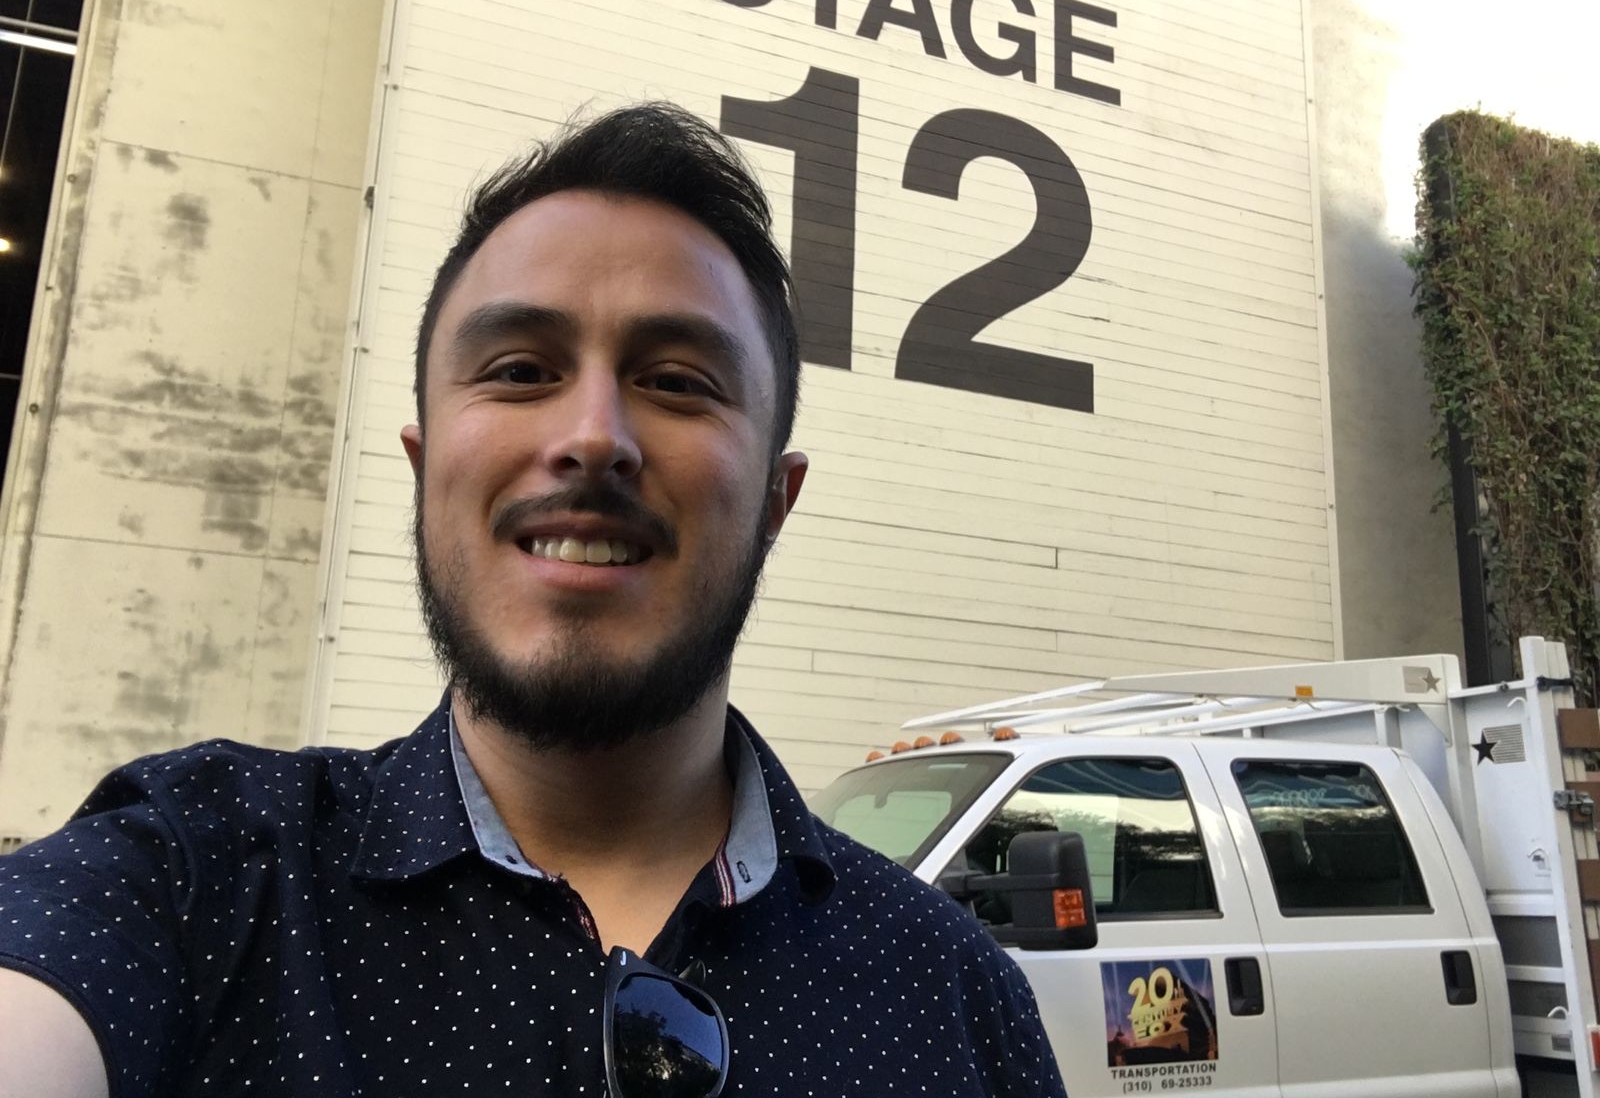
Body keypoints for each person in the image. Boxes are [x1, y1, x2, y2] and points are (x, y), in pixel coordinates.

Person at [0, 103, 1068, 1097]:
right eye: (518, 370)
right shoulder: (190, 878)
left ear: (774, 503)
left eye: (677, 381)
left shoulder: (961, 1001)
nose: (594, 436)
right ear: (425, 469)